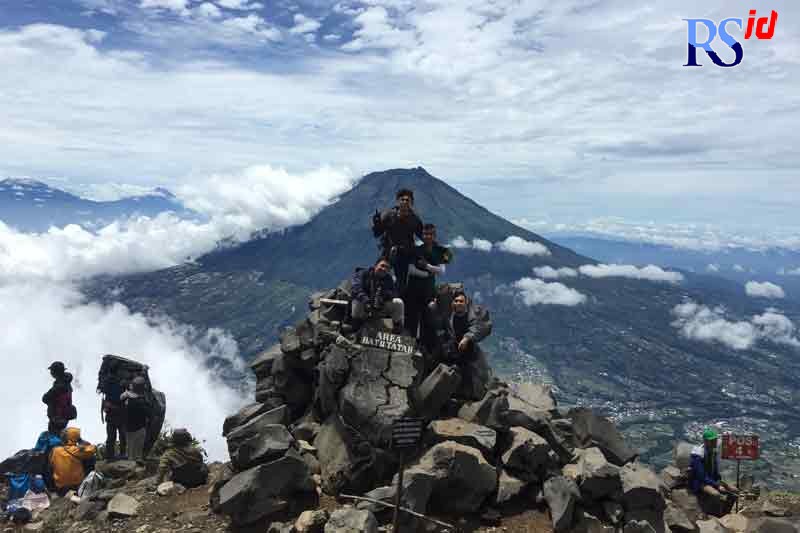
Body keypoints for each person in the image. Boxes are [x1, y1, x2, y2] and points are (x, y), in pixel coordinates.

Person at [429, 289, 493, 400]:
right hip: (451, 349)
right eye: (456, 301)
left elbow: (480, 325)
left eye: (461, 301)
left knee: (468, 374)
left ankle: (469, 395)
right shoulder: (448, 315)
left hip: (468, 353)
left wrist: (467, 337)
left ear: (466, 302)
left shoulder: (472, 314)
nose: (458, 303)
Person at [405, 223, 452, 339]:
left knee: (427, 316)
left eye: (430, 234)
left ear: (435, 235)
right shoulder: (416, 250)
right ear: (422, 235)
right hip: (413, 288)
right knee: (411, 317)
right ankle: (410, 342)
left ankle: (424, 344)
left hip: (428, 290)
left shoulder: (441, 251)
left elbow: (442, 271)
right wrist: (428, 273)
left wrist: (427, 266)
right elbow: (410, 269)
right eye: (425, 234)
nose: (428, 236)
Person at [371, 188, 424, 291]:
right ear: (398, 201)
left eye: (407, 200)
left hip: (405, 254)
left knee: (401, 282)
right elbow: (377, 234)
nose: (405, 202)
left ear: (411, 203)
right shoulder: (389, 215)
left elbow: (422, 236)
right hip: (387, 252)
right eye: (402, 199)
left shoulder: (415, 220)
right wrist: (377, 224)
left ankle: (397, 298)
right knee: (378, 275)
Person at [689, 428, 737, 516]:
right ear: (706, 441)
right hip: (700, 482)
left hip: (711, 479)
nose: (715, 442)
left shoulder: (712, 452)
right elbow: (701, 476)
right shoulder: (698, 455)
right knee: (716, 494)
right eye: (712, 441)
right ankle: (716, 514)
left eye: (715, 440)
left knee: (734, 491)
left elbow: (715, 471)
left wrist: (720, 482)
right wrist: (717, 485)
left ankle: (726, 511)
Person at [350, 257, 405, 334]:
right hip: (363, 306)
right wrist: (366, 300)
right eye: (382, 266)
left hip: (379, 307)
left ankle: (397, 330)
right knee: (357, 301)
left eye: (387, 268)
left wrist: (385, 296)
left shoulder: (388, 279)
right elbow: (356, 288)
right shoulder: (362, 273)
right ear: (375, 266)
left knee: (398, 302)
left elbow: (394, 293)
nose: (384, 269)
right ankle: (356, 328)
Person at [49, 427, 96, 494]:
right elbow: (93, 449)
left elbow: (51, 464)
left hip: (60, 486)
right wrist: (80, 441)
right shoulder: (77, 450)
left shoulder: (55, 450)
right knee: (90, 458)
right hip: (76, 485)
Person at [121, 376, 151, 463]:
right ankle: (137, 464)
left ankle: (131, 465)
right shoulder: (142, 402)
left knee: (130, 453)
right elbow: (149, 414)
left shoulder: (126, 397)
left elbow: (122, 397)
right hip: (140, 429)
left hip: (129, 429)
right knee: (138, 454)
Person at [101, 366, 128, 461]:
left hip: (111, 413)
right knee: (122, 435)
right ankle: (122, 454)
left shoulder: (106, 382)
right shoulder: (121, 383)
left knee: (111, 436)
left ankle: (110, 456)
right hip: (120, 413)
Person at [41, 362, 75, 433]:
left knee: (55, 436)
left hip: (58, 417)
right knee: (60, 435)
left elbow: (45, 398)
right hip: (62, 416)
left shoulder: (60, 386)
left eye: (52, 371)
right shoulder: (65, 382)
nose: (51, 373)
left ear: (56, 372)